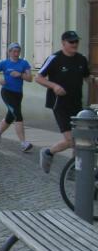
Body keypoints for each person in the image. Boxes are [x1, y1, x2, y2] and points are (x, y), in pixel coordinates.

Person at [36, 31, 91, 173]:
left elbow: (87, 77)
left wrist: (94, 81)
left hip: (77, 104)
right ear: (63, 43)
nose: (75, 44)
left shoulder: (81, 59)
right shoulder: (54, 58)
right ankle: (48, 152)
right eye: (71, 42)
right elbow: (38, 77)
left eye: (76, 41)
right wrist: (54, 86)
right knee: (71, 140)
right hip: (59, 104)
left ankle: (74, 169)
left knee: (80, 139)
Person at [0, 43, 33, 152]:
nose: (16, 54)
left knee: (11, 116)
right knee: (18, 115)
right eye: (14, 51)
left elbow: (30, 78)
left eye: (18, 51)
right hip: (7, 92)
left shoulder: (24, 63)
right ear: (9, 52)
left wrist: (20, 75)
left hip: (18, 93)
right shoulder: (4, 63)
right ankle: (23, 143)